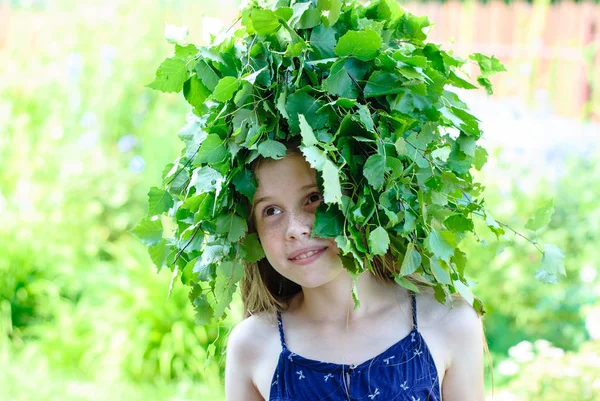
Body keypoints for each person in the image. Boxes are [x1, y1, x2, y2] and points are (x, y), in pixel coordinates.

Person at [224, 143, 486, 401]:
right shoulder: (252, 346)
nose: (294, 228)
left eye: (314, 198)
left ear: (362, 202)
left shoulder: (448, 322)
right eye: (271, 211)